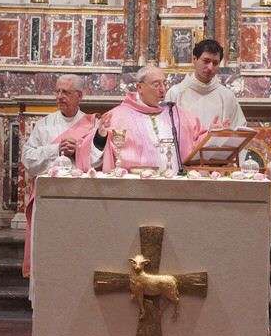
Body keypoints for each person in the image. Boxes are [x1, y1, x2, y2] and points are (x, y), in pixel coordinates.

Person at [20, 74, 96, 277]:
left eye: (66, 92)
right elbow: (27, 159)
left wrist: (79, 150)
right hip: (48, 198)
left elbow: (101, 161)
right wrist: (56, 149)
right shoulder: (44, 125)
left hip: (80, 198)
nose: (60, 96)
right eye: (58, 91)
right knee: (48, 250)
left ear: (79, 96)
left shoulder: (92, 125)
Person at [81, 66, 211, 174]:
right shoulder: (117, 116)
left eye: (164, 83)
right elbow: (92, 159)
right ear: (140, 87)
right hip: (134, 190)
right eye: (156, 84)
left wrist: (213, 133)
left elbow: (200, 142)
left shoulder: (176, 113)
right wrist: (100, 137)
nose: (163, 89)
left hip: (175, 188)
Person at [165, 39, 246, 131]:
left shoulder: (227, 96)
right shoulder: (175, 94)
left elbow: (239, 130)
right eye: (206, 61)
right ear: (194, 60)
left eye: (215, 63)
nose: (210, 67)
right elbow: (166, 131)